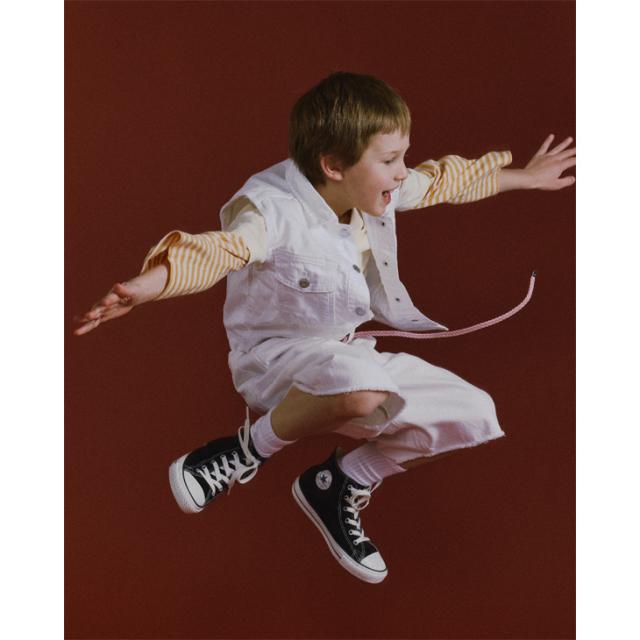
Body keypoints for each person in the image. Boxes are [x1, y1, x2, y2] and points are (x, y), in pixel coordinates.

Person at [74, 72, 576, 584]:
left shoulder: (369, 190)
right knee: (364, 387)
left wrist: (527, 177)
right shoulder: (270, 209)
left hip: (343, 357)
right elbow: (217, 252)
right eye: (390, 160)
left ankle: (338, 484)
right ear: (334, 165)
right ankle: (244, 451)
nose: (403, 173)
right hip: (273, 362)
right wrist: (144, 286)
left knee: (472, 413)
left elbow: (442, 180)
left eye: (403, 156)